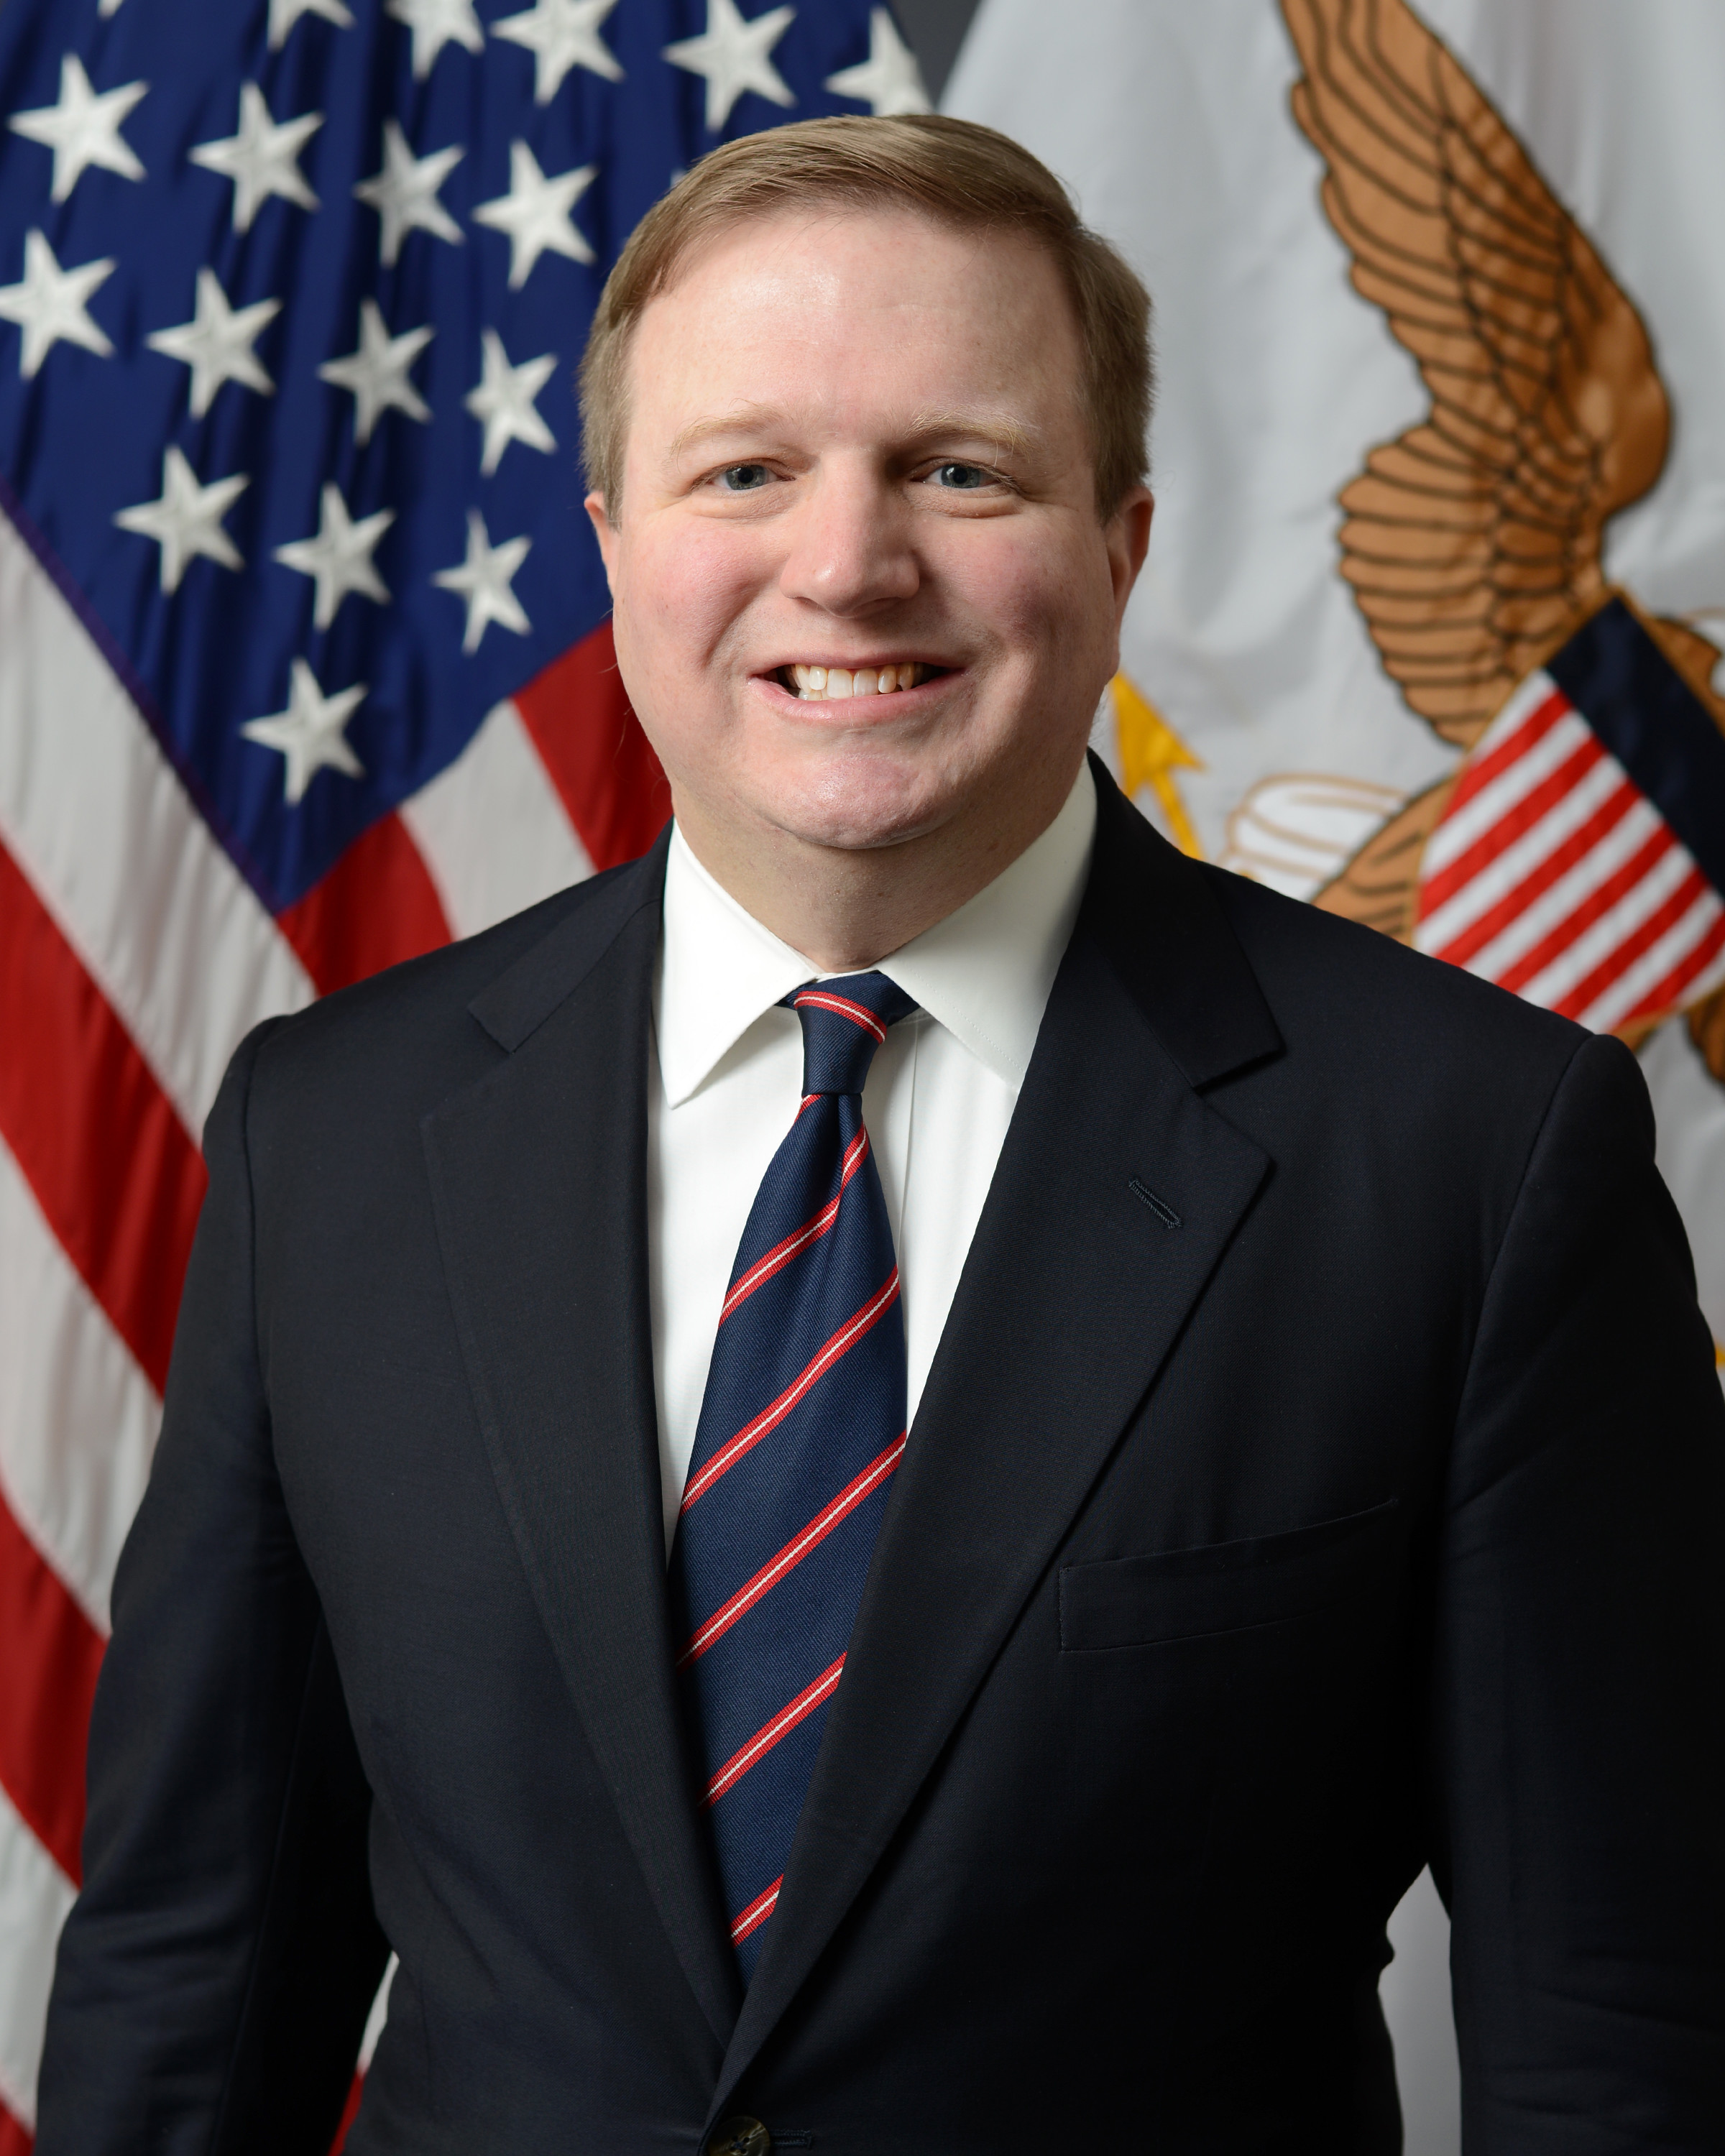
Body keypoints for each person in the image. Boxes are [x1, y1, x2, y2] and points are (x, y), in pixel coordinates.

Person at [37, 114, 1725, 2154]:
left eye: (960, 468)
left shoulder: (1475, 1152)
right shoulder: (337, 1132)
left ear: (1119, 551)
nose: (846, 563)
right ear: (611, 549)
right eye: (745, 470)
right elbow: (197, 1981)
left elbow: (1619, 2023)